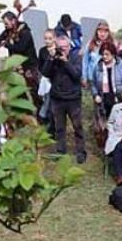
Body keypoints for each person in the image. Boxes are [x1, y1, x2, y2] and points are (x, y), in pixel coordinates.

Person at [44, 35, 87, 164]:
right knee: (59, 127)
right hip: (57, 98)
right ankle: (61, 150)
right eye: (60, 48)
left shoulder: (76, 58)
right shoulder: (53, 58)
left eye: (65, 47)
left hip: (73, 99)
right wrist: (51, 59)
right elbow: (45, 73)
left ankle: (80, 151)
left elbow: (76, 74)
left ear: (69, 46)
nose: (63, 50)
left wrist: (65, 62)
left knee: (77, 126)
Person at [0, 11, 39, 109]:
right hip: (16, 67)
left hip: (29, 66)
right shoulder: (8, 31)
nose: (5, 25)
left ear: (13, 20)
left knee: (34, 91)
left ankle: (42, 116)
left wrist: (7, 45)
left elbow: (20, 48)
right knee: (18, 91)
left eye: (6, 23)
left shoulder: (25, 32)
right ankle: (25, 112)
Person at [91, 44, 122, 125]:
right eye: (102, 54)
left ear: (113, 54)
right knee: (107, 125)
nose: (104, 56)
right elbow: (93, 83)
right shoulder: (98, 67)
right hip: (104, 101)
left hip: (120, 99)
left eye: (107, 54)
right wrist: (95, 95)